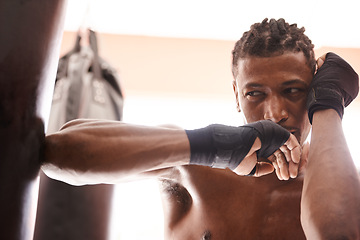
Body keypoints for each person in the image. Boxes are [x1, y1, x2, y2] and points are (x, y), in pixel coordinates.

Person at [42, 18, 360, 239]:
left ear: (314, 89)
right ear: (237, 96)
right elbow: (58, 152)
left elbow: (338, 233)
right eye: (254, 94)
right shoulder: (195, 166)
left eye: (293, 91)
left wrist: (329, 105)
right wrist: (216, 146)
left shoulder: (341, 192)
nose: (275, 113)